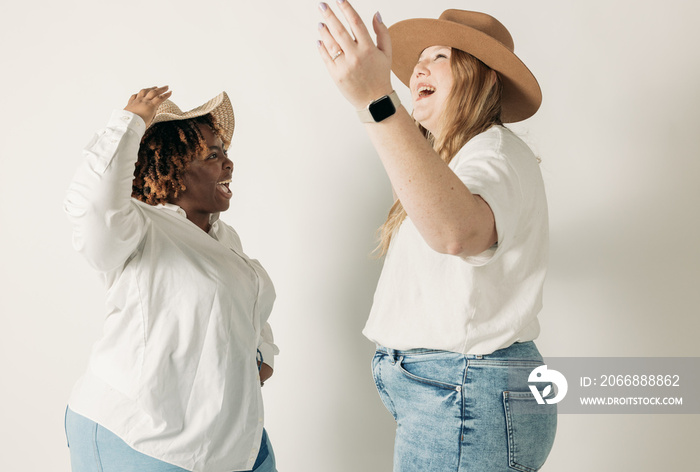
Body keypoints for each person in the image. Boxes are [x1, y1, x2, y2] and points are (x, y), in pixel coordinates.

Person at [317, 3, 556, 471]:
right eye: (420, 59)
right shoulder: (454, 161)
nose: (419, 67)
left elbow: (456, 233)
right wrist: (375, 103)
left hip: (466, 393)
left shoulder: (494, 152)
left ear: (480, 79)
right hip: (455, 393)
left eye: (441, 57)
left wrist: (377, 99)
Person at [63, 86, 278, 472]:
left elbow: (241, 304)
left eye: (225, 153)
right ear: (174, 168)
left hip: (231, 436)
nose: (228, 164)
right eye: (213, 156)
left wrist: (260, 350)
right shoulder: (136, 228)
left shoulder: (223, 238)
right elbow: (93, 206)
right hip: (140, 437)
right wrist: (128, 124)